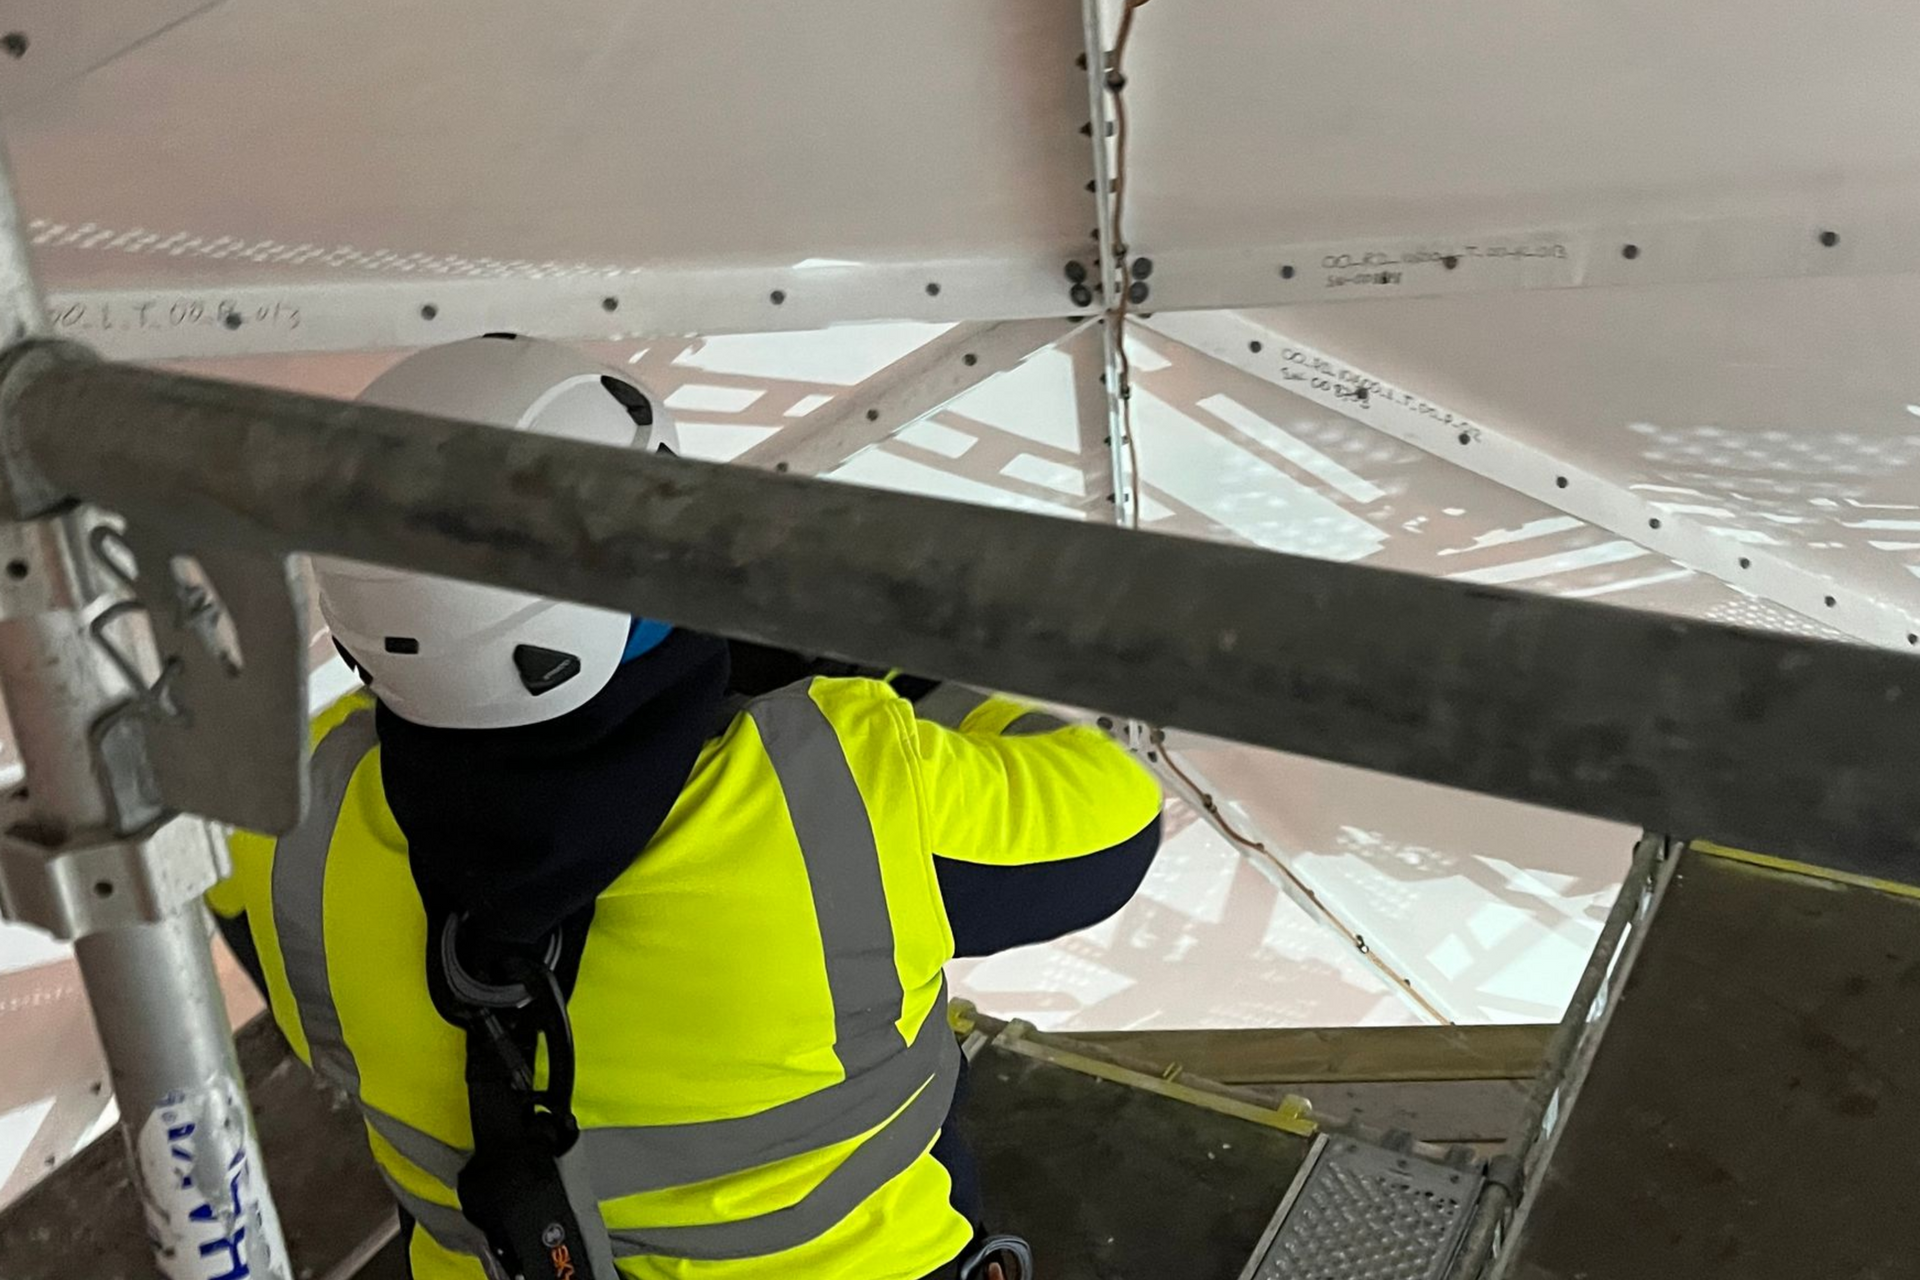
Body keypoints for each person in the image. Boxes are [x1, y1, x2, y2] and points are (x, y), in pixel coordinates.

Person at [207, 336, 1164, 1280]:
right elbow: (1114, 825)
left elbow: (325, 1035)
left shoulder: (288, 816)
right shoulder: (841, 783)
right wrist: (878, 671)